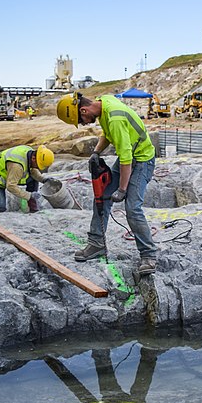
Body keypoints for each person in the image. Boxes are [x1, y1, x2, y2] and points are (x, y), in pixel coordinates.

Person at [56, 92, 157, 275]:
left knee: (132, 208)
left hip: (142, 160)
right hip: (129, 158)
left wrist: (122, 189)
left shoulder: (115, 117)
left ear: (84, 109)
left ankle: (148, 255)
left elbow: (126, 158)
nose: (85, 123)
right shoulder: (104, 102)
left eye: (82, 119)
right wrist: (96, 152)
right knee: (102, 197)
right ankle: (96, 244)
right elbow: (108, 134)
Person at [0, 145, 54, 213]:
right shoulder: (17, 166)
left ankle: (33, 207)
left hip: (8, 174)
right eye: (38, 165)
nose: (38, 168)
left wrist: (43, 179)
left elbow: (32, 170)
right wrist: (29, 195)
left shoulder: (29, 152)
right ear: (34, 158)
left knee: (33, 179)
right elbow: (11, 186)